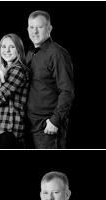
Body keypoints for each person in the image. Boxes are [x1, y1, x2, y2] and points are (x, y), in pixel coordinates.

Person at [25, 10, 74, 149]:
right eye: (31, 27)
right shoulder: (30, 53)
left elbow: (67, 91)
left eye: (39, 27)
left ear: (49, 28)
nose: (35, 31)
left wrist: (55, 120)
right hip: (29, 125)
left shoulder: (57, 54)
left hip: (47, 126)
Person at [0, 34, 30, 149]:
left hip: (9, 130)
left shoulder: (18, 70)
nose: (6, 50)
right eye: (3, 46)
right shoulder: (3, 71)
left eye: (11, 47)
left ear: (18, 49)